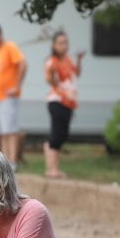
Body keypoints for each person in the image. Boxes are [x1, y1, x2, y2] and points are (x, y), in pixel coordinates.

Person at [0, 23, 26, 168]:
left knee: (10, 130)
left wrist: (17, 86)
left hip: (8, 97)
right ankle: (5, 162)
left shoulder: (10, 47)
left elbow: (22, 64)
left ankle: (13, 161)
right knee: (1, 131)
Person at [43, 31, 84, 178]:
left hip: (69, 102)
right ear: (54, 45)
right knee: (57, 134)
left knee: (62, 135)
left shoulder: (67, 59)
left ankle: (54, 167)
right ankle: (51, 169)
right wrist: (52, 75)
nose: (64, 45)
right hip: (57, 101)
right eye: (60, 43)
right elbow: (50, 81)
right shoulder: (51, 61)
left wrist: (79, 60)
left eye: (65, 42)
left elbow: (76, 74)